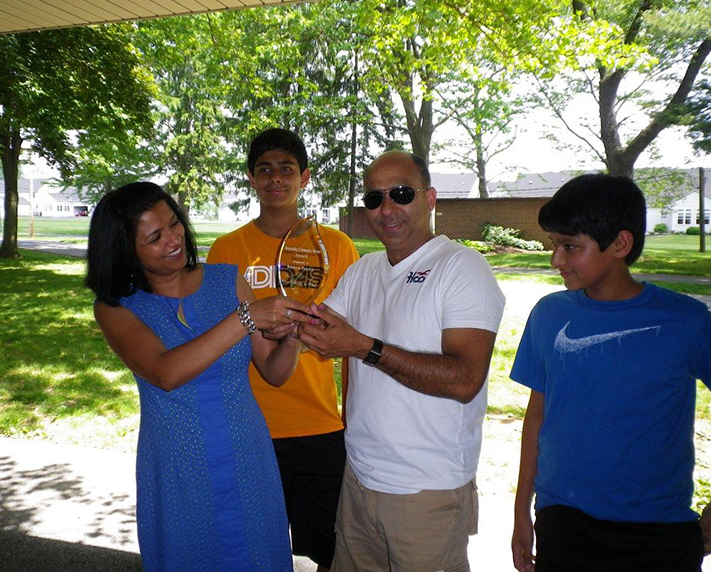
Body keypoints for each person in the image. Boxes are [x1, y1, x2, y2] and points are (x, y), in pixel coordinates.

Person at [85, 181, 312, 572]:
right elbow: (166, 372)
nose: (173, 239)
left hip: (247, 456)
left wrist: (294, 335)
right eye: (154, 237)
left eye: (174, 224)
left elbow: (274, 372)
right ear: (125, 251)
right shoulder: (117, 309)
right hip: (178, 466)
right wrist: (246, 318)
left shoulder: (227, 281)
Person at [297, 151, 505, 572]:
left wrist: (364, 347)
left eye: (401, 194)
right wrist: (272, 318)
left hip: (426, 492)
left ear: (430, 198)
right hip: (359, 480)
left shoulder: (461, 267)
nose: (387, 208)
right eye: (374, 199)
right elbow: (316, 331)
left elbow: (465, 379)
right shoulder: (363, 270)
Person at [510, 174, 711, 572]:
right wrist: (522, 511)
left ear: (620, 244)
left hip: (657, 531)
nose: (556, 260)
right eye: (554, 244)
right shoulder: (549, 314)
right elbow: (537, 414)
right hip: (562, 520)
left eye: (571, 246)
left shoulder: (687, 322)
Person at [207, 128, 359, 571]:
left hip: (319, 422)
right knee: (254, 549)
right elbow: (220, 339)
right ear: (251, 178)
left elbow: (351, 339)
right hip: (248, 426)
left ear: (304, 177)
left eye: (287, 169)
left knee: (332, 549)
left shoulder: (335, 246)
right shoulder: (227, 249)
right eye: (265, 169)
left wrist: (352, 415)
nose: (276, 178)